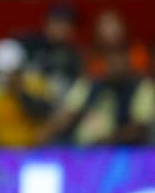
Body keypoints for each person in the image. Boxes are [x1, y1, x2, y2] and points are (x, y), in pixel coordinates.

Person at [44, 12, 155, 146]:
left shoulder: (142, 86)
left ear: (128, 60)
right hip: (81, 149)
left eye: (119, 58)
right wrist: (46, 133)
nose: (115, 64)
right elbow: (68, 113)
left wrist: (105, 142)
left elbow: (139, 128)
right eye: (110, 59)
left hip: (124, 151)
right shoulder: (90, 81)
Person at [0, 39, 55, 147]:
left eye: (12, 73)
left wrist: (20, 93)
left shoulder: (35, 85)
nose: (6, 79)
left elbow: (46, 115)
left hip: (33, 151)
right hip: (0, 152)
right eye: (1, 73)